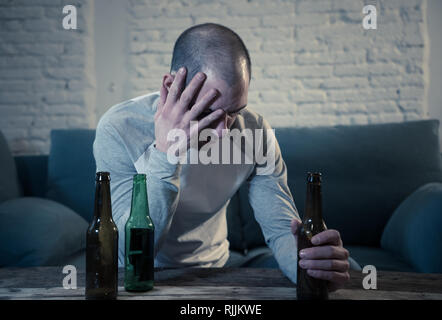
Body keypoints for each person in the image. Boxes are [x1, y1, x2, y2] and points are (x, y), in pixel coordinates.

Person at [93, 23, 351, 291]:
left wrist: (312, 271)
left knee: (348, 272)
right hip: (146, 278)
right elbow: (127, 254)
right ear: (171, 86)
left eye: (234, 112)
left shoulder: (254, 132)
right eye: (210, 113)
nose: (222, 132)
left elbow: (280, 229)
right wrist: (166, 153)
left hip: (219, 271)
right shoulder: (120, 128)